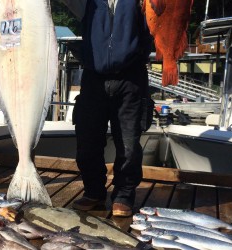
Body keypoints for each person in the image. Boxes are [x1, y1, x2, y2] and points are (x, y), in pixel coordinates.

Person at [59, 0, 153, 217]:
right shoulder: (86, 3)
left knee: (129, 145)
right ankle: (93, 192)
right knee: (87, 142)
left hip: (132, 79)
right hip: (94, 79)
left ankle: (123, 196)